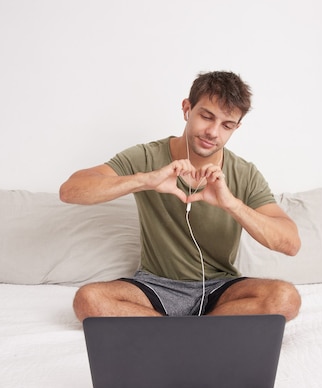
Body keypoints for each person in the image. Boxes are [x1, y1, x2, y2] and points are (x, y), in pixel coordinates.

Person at [60, 71, 301, 322]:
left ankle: (174, 334)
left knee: (285, 298)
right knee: (89, 300)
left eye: (226, 125)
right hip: (155, 286)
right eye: (206, 117)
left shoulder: (245, 173)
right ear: (187, 109)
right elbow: (71, 191)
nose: (213, 132)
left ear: (236, 127)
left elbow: (290, 243)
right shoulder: (146, 157)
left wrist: (231, 204)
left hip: (220, 289)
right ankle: (203, 334)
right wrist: (146, 180)